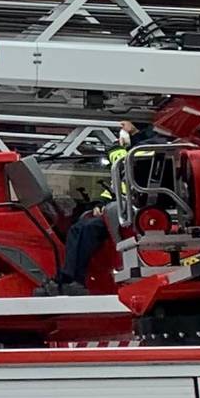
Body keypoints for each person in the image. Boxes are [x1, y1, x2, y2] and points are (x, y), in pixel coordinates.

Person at [50, 120, 148, 294]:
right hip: (117, 211)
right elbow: (111, 191)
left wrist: (134, 133)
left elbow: (150, 145)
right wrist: (98, 205)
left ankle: (75, 278)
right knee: (78, 228)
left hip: (133, 212)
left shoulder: (146, 154)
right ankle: (69, 277)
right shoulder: (120, 172)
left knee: (87, 229)